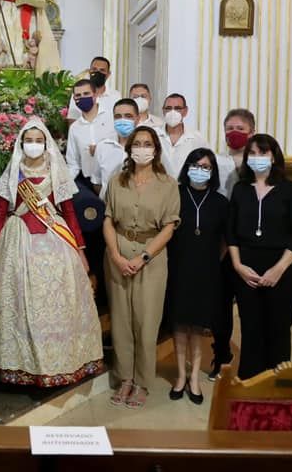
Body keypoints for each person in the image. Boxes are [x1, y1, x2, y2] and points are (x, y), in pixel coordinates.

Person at [0, 119, 104, 386]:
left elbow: (70, 213)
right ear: (21, 143)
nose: (34, 145)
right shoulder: (13, 171)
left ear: (47, 143)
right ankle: (19, 366)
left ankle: (59, 362)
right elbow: (1, 212)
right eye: (29, 140)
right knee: (18, 301)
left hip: (56, 240)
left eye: (39, 140)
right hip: (18, 241)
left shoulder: (56, 172)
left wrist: (80, 250)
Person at [103, 126, 180, 409]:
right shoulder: (117, 181)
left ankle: (142, 381)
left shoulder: (168, 184)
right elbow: (108, 220)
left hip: (152, 257)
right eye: (137, 143)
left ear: (156, 150)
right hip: (119, 253)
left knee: (146, 322)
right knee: (121, 321)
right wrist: (115, 255)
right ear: (129, 149)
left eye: (148, 144)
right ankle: (124, 378)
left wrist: (143, 257)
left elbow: (170, 227)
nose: (142, 148)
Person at [226, 134, 292, 380]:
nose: (257, 158)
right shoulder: (240, 189)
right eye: (252, 153)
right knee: (251, 329)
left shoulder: (288, 189)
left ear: (273, 156)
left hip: (283, 270)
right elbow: (231, 232)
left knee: (278, 329)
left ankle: (277, 383)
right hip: (246, 271)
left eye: (263, 153)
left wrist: (279, 269)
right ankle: (251, 383)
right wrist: (238, 265)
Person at [167, 148, 228, 404]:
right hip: (178, 269)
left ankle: (194, 378)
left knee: (199, 326)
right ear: (187, 167)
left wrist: (214, 263)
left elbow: (225, 240)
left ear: (212, 172)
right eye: (195, 164)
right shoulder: (176, 195)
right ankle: (180, 375)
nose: (199, 170)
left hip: (207, 271)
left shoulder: (220, 201)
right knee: (180, 325)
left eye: (205, 166)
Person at [210, 107, 255, 380]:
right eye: (229, 129)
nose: (234, 134)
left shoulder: (260, 164)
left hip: (249, 245)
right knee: (220, 306)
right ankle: (222, 354)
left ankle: (251, 361)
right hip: (221, 245)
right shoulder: (216, 161)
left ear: (251, 132)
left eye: (240, 129)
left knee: (250, 308)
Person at [65, 79, 115, 305]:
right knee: (93, 241)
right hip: (88, 188)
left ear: (95, 95)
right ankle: (94, 295)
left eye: (86, 93)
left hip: (111, 183)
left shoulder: (111, 118)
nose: (81, 98)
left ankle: (109, 294)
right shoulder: (75, 128)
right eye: (77, 95)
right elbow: (72, 162)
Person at [92, 99, 139, 198]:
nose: (122, 120)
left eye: (128, 116)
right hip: (108, 208)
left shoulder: (147, 147)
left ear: (137, 119)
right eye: (118, 117)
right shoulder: (103, 146)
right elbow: (97, 182)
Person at [159, 93, 210, 178]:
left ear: (185, 111)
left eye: (177, 108)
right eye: (168, 108)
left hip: (186, 188)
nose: (172, 112)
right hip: (159, 188)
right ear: (163, 111)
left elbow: (208, 164)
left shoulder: (197, 139)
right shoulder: (153, 135)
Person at [66, 57, 121, 124]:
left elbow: (118, 120)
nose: (97, 72)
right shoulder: (79, 94)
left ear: (108, 74)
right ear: (89, 71)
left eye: (102, 70)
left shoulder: (116, 96)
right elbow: (72, 119)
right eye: (94, 69)